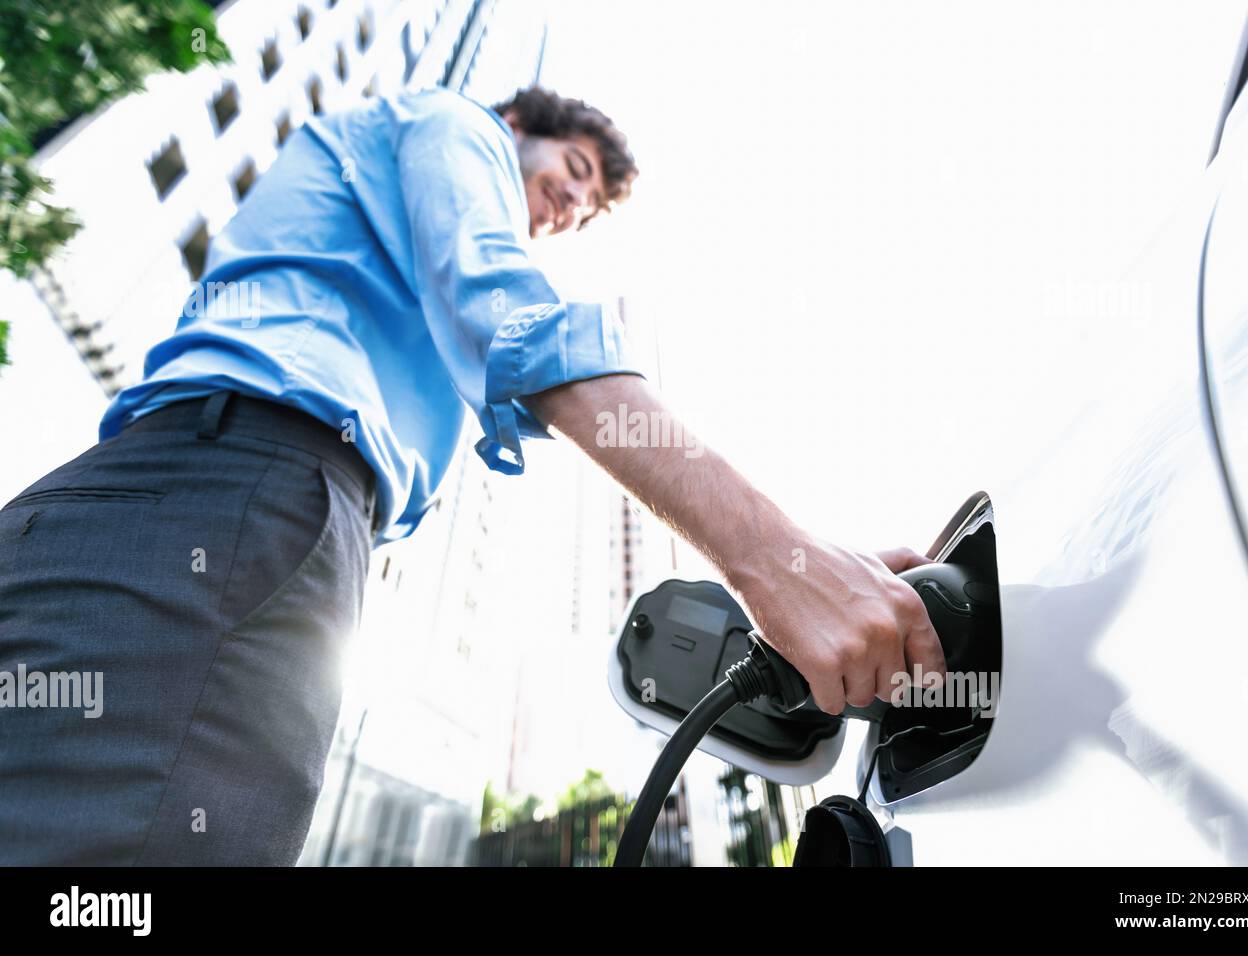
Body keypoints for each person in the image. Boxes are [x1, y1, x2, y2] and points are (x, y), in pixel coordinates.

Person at [0, 85, 945, 865]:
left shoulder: (389, 195)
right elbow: (509, 317)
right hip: (232, 495)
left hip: (201, 501)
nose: (568, 206)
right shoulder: (454, 127)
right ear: (519, 127)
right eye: (571, 171)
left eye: (584, 210)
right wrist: (776, 560)